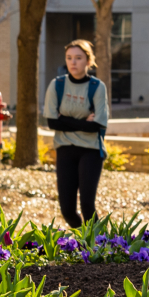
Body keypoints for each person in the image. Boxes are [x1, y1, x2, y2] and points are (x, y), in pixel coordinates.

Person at [43, 39, 109, 228]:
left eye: (78, 58)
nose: (73, 62)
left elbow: (96, 126)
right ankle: (82, 238)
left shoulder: (97, 87)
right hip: (65, 149)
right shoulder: (57, 86)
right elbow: (52, 122)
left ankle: (101, 244)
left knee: (87, 205)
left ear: (88, 61)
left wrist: (65, 119)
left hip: (91, 150)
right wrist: (82, 122)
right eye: (69, 58)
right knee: (67, 210)